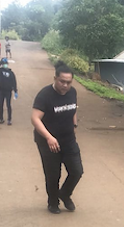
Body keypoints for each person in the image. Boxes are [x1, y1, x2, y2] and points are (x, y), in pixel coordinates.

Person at [31, 61, 83, 214]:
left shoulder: (72, 92)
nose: (65, 85)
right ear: (55, 78)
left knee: (77, 171)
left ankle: (65, 194)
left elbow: (73, 108)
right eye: (62, 81)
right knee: (53, 175)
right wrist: (49, 137)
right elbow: (35, 118)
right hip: (47, 141)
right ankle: (53, 202)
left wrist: (74, 126)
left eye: (68, 82)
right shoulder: (44, 95)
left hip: (68, 139)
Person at [0, 58, 18, 125]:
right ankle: (1, 118)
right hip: (1, 90)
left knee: (8, 105)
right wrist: (0, 62)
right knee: (0, 105)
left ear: (7, 65)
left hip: (8, 91)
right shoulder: (0, 71)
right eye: (3, 64)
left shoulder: (11, 73)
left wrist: (15, 91)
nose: (5, 65)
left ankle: (9, 119)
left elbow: (14, 82)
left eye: (5, 64)